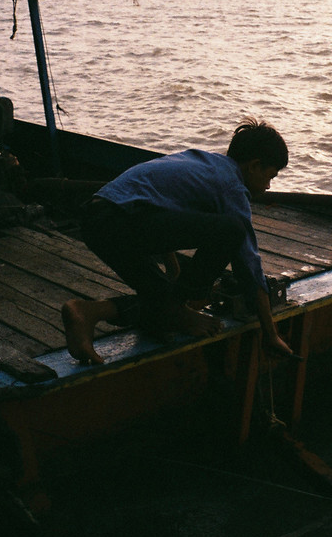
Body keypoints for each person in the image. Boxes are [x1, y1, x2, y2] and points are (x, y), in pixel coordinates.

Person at [62, 118, 294, 364]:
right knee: (232, 229)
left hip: (97, 220)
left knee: (163, 301)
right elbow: (248, 262)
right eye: (270, 176)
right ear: (254, 166)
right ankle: (185, 305)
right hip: (116, 222)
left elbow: (161, 206)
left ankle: (87, 312)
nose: (268, 186)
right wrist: (271, 333)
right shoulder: (231, 187)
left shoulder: (202, 161)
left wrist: (173, 269)